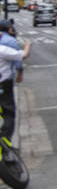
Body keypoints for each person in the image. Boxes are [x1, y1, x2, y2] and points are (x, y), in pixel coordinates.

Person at [0, 20, 32, 152]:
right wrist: (28, 45)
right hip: (3, 84)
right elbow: (23, 56)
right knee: (9, 112)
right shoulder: (2, 49)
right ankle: (5, 141)